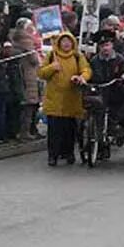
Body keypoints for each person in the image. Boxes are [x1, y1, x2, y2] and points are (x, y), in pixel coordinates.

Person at [38, 32, 92, 167]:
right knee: (54, 131)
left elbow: (86, 70)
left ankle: (69, 153)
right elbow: (41, 73)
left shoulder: (77, 56)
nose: (66, 44)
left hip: (71, 99)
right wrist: (52, 68)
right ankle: (53, 156)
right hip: (54, 100)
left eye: (69, 41)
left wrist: (81, 78)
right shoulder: (51, 56)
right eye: (64, 41)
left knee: (69, 130)